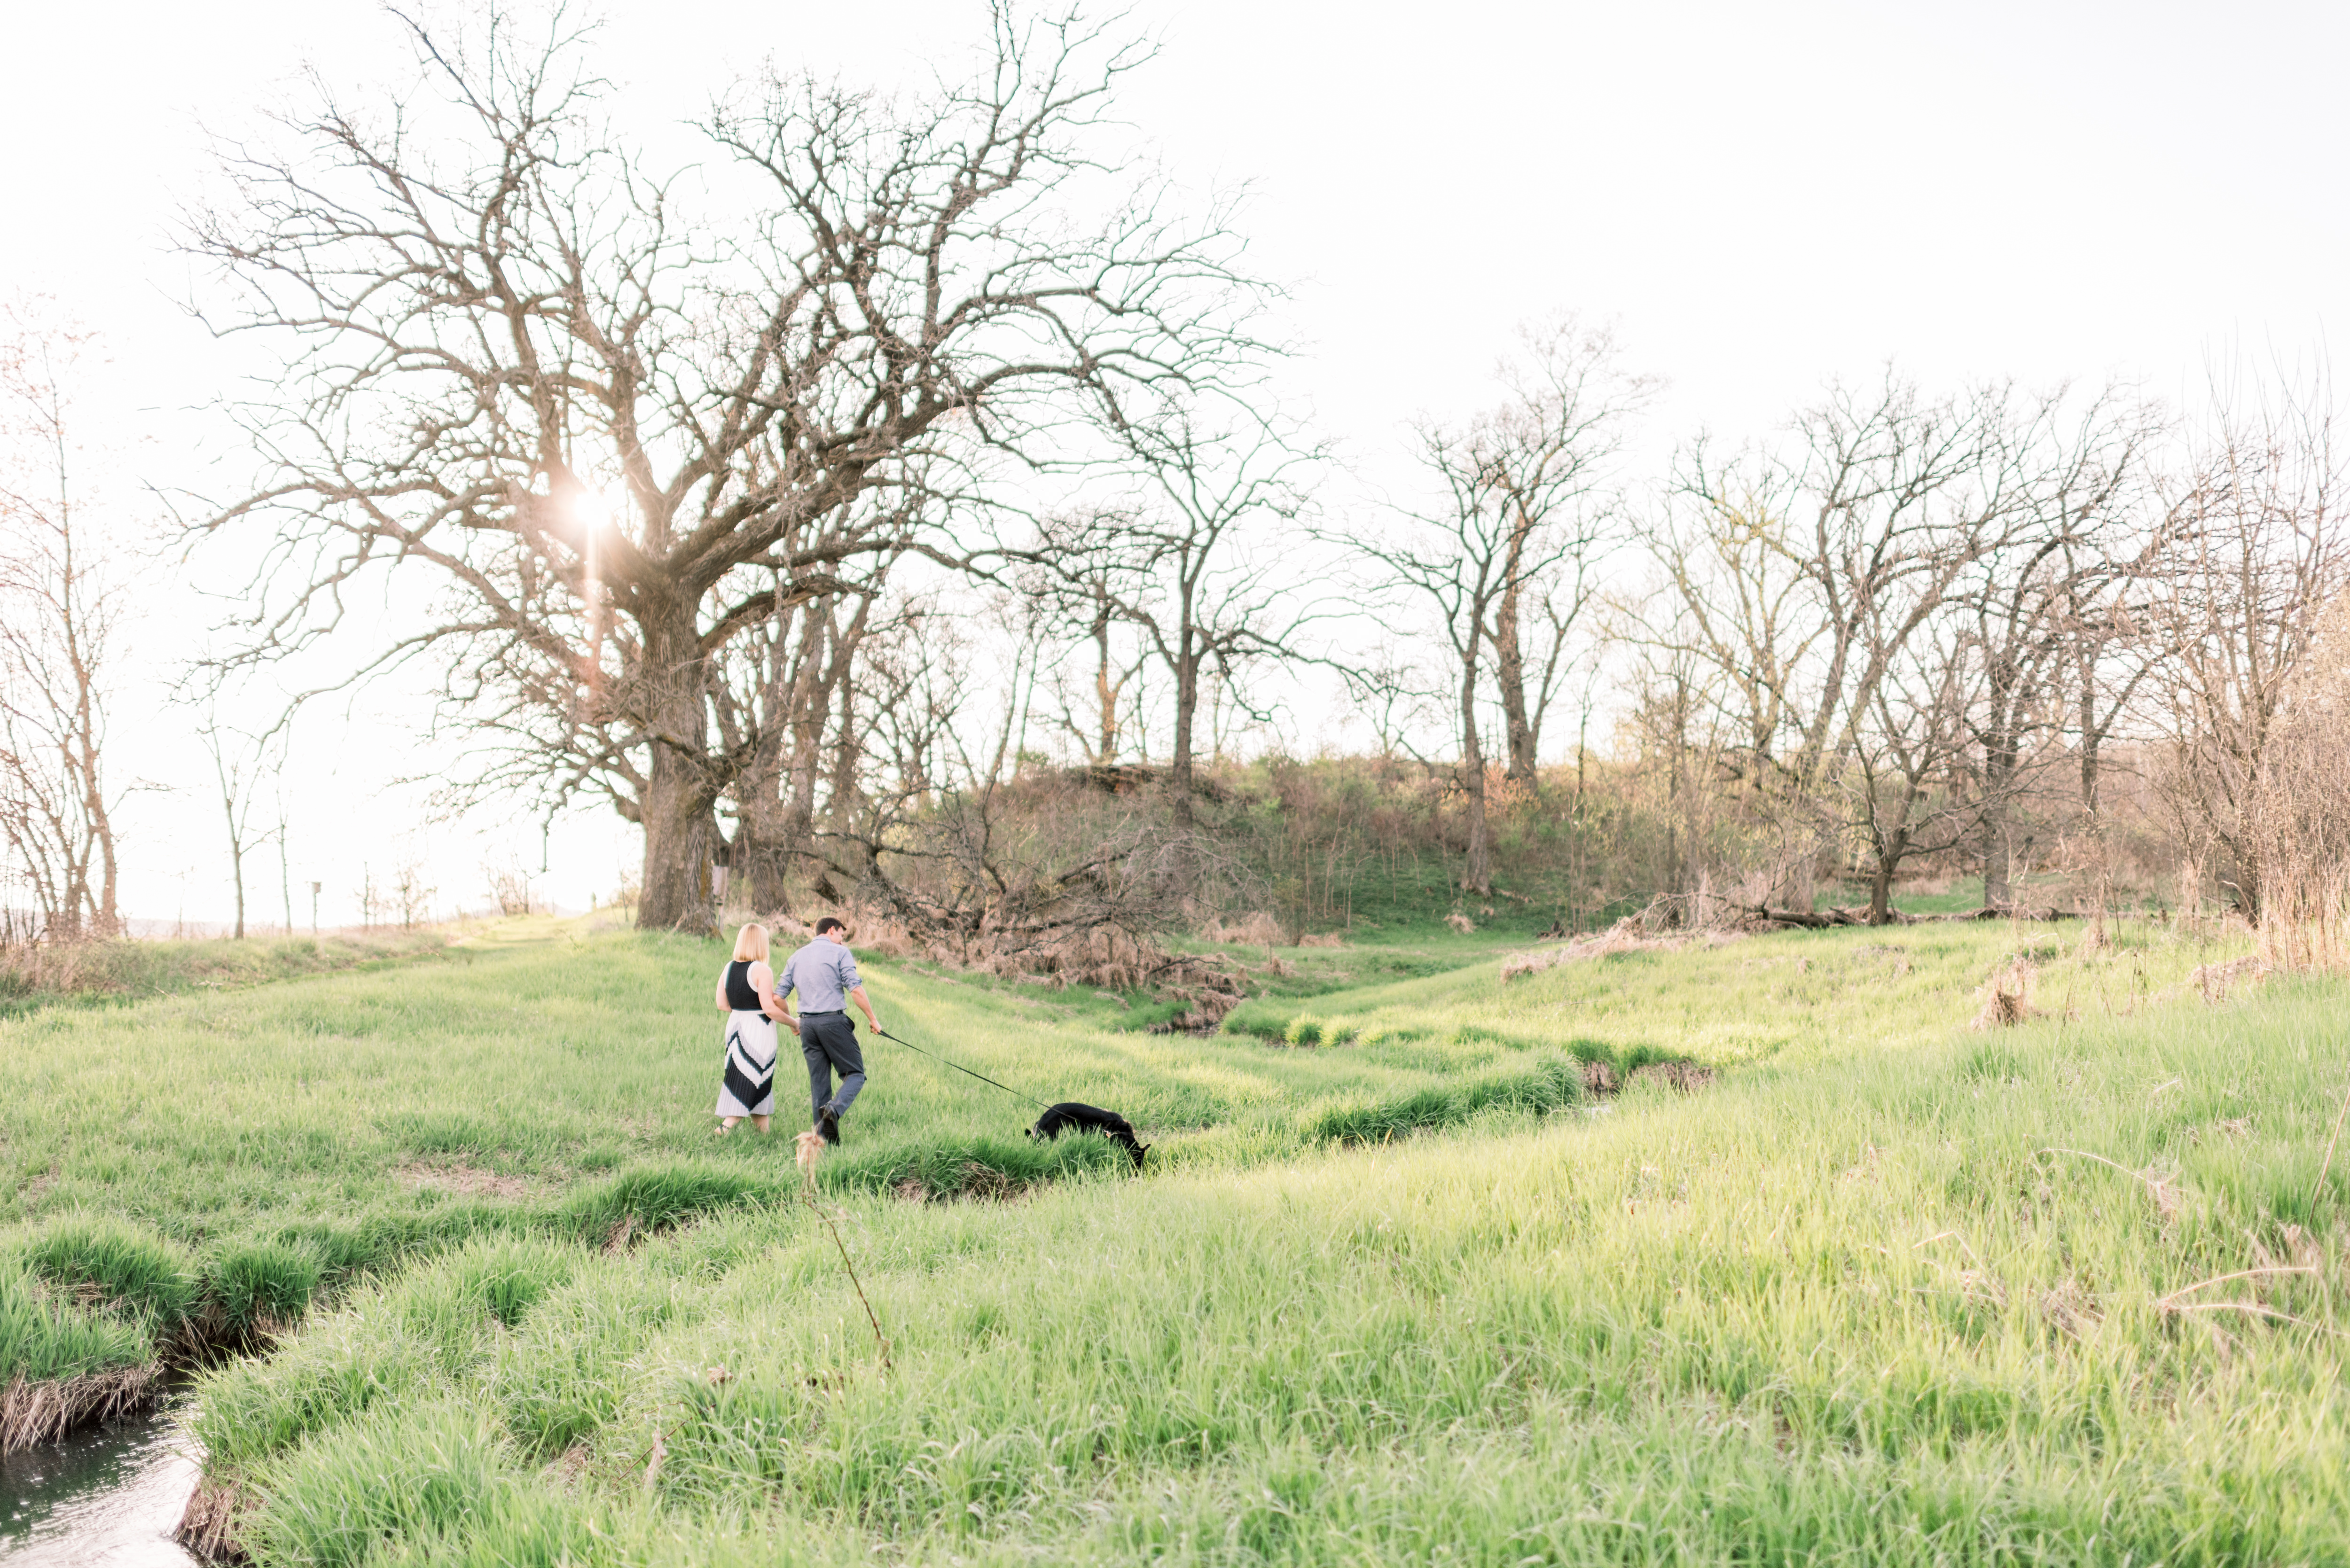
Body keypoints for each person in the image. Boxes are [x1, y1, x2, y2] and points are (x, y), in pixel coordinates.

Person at [777, 916, 881, 1144]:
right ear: (832, 931)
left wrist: (794, 1022)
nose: (842, 942)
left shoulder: (796, 956)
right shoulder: (839, 953)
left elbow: (777, 997)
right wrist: (873, 1020)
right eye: (842, 936)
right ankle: (833, 1111)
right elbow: (855, 990)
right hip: (833, 1023)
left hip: (807, 1026)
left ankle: (821, 1143)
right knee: (855, 1074)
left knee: (819, 1085)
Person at [713, 922, 794, 1136]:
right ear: (762, 944)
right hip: (758, 1029)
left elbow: (722, 1005)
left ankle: (764, 1134)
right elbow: (769, 1008)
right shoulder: (762, 970)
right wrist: (795, 1023)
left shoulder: (728, 968)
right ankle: (725, 1128)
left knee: (757, 1078)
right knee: (750, 1077)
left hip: (736, 1026)